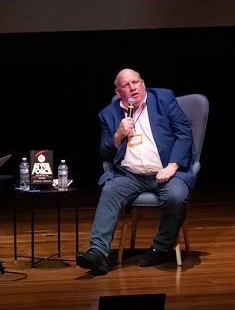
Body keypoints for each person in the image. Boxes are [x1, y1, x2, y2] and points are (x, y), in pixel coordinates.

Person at [76, 68, 195, 274]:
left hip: (165, 172)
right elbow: (104, 152)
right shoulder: (108, 114)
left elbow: (184, 133)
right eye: (126, 85)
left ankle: (161, 247)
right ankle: (98, 253)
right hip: (129, 175)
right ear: (118, 92)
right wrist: (118, 135)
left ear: (143, 84)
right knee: (109, 191)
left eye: (135, 82)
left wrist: (173, 165)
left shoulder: (164, 98)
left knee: (176, 195)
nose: (132, 88)